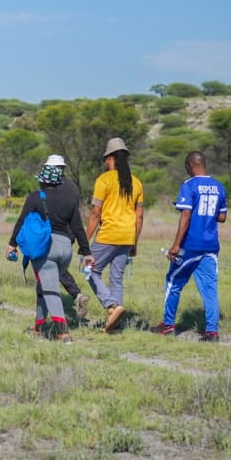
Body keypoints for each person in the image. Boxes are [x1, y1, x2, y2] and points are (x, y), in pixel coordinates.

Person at [8, 164, 95, 343]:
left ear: (42, 181)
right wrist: (87, 252)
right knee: (43, 288)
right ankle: (38, 328)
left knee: (50, 289)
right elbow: (78, 228)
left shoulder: (35, 197)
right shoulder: (70, 200)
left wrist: (12, 244)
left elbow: (22, 222)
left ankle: (63, 333)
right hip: (65, 249)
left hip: (46, 248)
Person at [150, 151, 227, 342]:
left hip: (190, 245)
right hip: (211, 246)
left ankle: (168, 326)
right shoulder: (219, 186)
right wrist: (206, 212)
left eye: (186, 166)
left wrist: (176, 245)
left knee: (173, 282)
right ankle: (211, 332)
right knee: (210, 290)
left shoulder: (189, 185)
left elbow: (185, 216)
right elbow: (222, 217)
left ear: (191, 165)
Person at [85, 138, 144, 332]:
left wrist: (85, 241)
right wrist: (134, 242)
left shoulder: (104, 180)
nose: (104, 163)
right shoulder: (136, 182)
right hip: (127, 236)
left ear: (110, 158)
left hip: (109, 234)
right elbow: (139, 215)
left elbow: (95, 213)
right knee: (116, 279)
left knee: (89, 270)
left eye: (105, 159)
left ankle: (112, 306)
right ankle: (114, 322)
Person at [44, 154, 91, 319]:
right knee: (57, 267)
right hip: (70, 232)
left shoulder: (49, 186)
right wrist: (85, 249)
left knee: (49, 268)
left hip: (53, 231)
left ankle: (68, 299)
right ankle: (74, 296)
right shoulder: (73, 187)